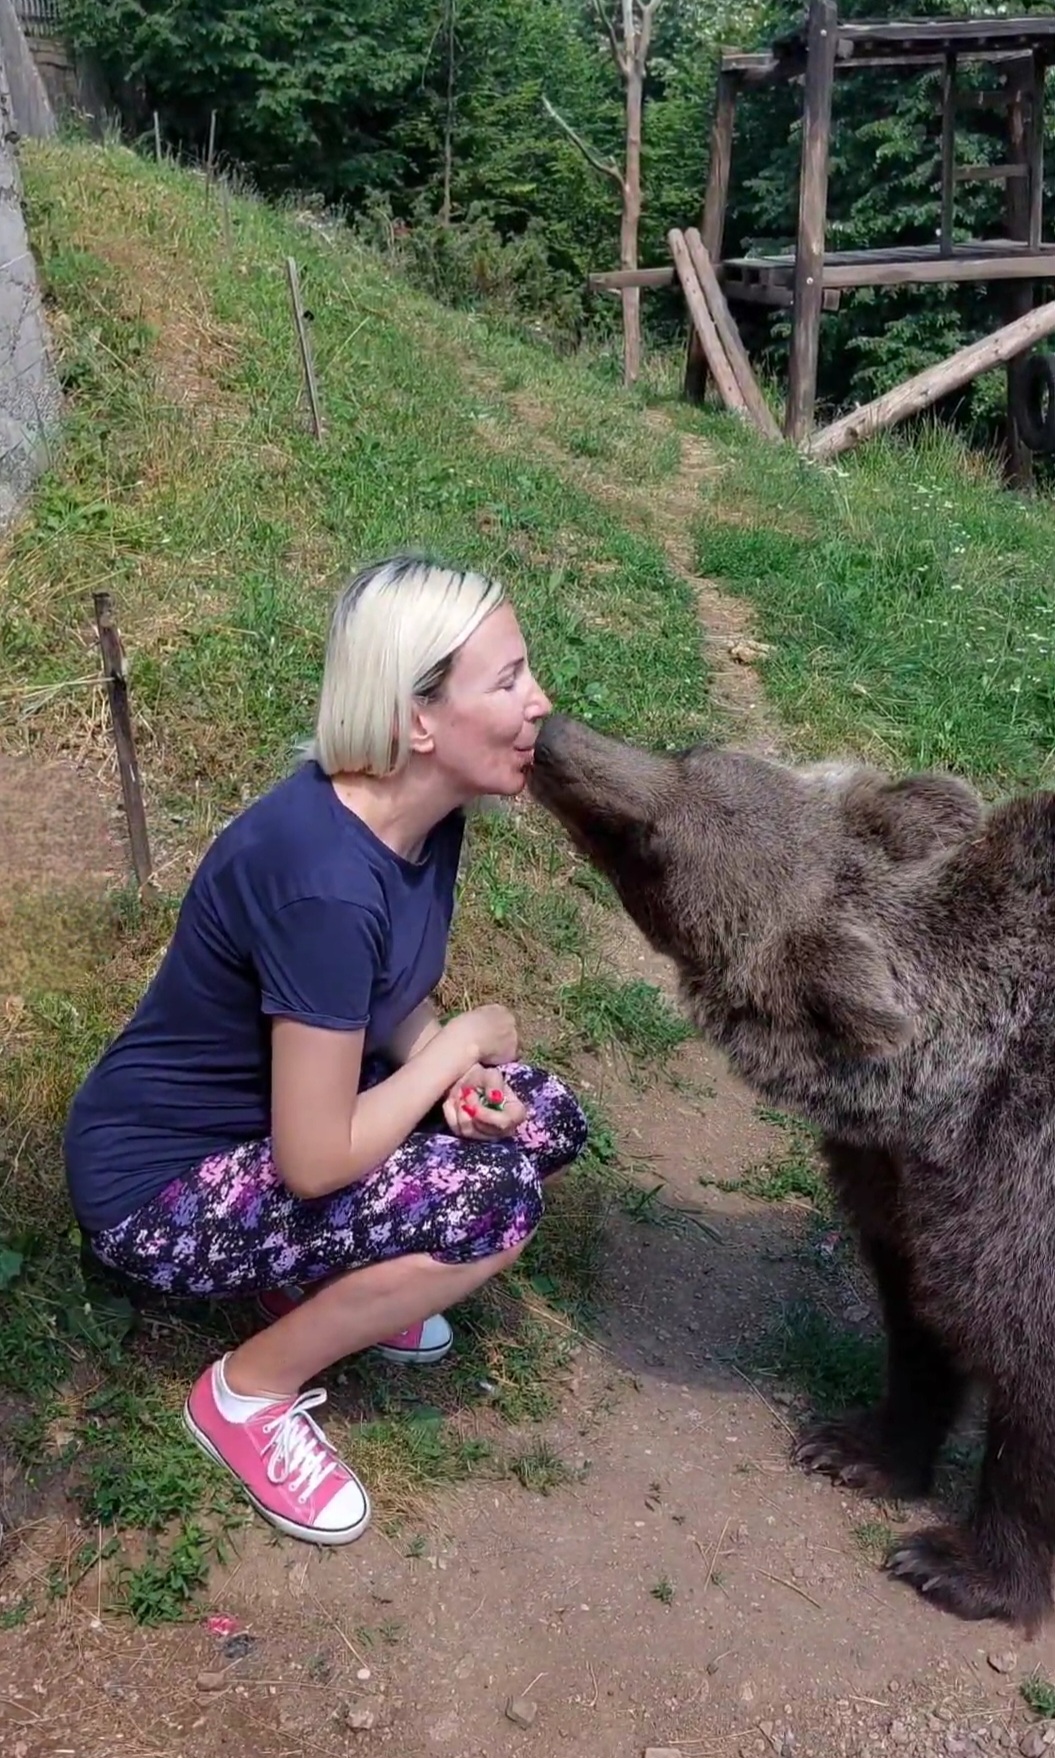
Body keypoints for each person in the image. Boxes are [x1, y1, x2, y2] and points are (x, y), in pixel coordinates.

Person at [63, 555, 589, 1547]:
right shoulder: (323, 883)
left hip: (271, 1125)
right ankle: (244, 1396)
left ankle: (318, 1277)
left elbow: (381, 998)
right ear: (417, 719)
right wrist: (452, 1051)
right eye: (508, 680)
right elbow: (312, 1160)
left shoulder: (421, 816)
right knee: (492, 1202)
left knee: (542, 1115)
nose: (539, 703)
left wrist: (447, 1060)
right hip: (154, 1191)